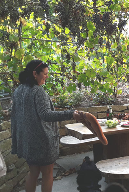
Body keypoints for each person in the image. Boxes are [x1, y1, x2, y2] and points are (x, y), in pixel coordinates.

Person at [11, 60, 83, 192]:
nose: (47, 76)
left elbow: (15, 116)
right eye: (44, 73)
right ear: (34, 73)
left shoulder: (19, 90)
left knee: (33, 173)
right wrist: (71, 114)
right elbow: (46, 115)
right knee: (47, 173)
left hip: (27, 141)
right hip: (42, 141)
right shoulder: (37, 91)